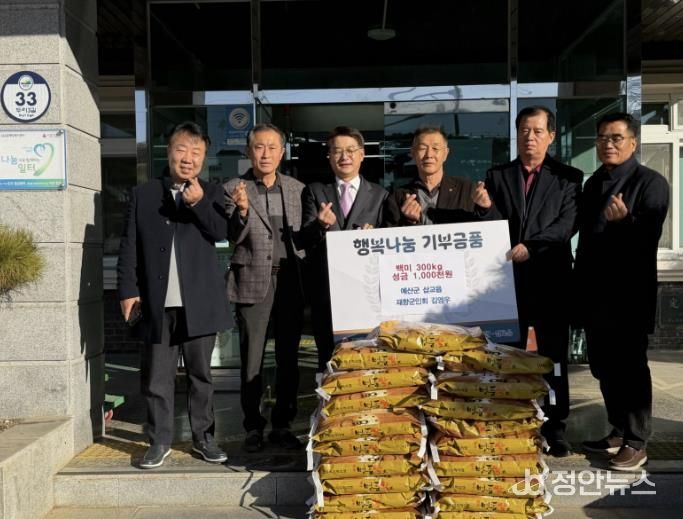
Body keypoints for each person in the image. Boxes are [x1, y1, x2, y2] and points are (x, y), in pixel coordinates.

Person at [117, 121, 232, 468]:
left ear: (203, 158)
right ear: (168, 152)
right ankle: (159, 441)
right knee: (157, 378)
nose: (188, 158)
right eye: (182, 149)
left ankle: (204, 438)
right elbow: (129, 246)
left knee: (201, 376)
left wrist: (198, 204)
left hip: (200, 302)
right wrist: (127, 291)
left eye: (196, 152)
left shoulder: (213, 192)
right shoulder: (144, 193)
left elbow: (222, 232)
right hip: (156, 302)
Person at [473, 106, 583, 457]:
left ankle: (555, 426)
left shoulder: (569, 177)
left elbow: (567, 225)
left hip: (552, 281)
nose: (529, 137)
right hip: (507, 284)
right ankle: (510, 422)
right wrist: (484, 207)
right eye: (523, 130)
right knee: (507, 355)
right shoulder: (498, 175)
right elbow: (493, 227)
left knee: (553, 357)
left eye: (537, 131)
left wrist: (531, 247)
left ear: (551, 136)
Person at [576, 113, 669, 471]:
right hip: (594, 292)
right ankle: (617, 429)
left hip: (629, 294)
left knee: (630, 367)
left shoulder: (650, 182)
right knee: (603, 366)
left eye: (616, 138)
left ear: (633, 142)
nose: (608, 144)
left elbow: (649, 237)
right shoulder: (594, 183)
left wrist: (624, 223)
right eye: (602, 138)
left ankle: (636, 440)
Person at [223, 123, 306, 453]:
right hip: (253, 279)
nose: (266, 153)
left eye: (272, 147)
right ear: (249, 152)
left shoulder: (298, 189)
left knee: (289, 357)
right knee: (252, 358)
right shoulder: (233, 188)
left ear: (282, 153)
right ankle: (253, 426)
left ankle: (283, 423)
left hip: (290, 281)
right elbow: (231, 235)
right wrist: (242, 210)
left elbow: (305, 236)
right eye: (259, 147)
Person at [300, 126, 388, 370]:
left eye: (350, 150)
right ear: (329, 156)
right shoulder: (315, 191)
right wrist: (319, 225)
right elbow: (303, 239)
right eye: (337, 151)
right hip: (327, 291)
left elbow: (389, 243)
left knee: (366, 358)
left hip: (365, 291)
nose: (344, 156)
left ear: (362, 154)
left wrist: (375, 238)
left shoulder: (380, 194)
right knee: (327, 358)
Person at [384, 126, 477, 227]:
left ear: (445, 154)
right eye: (422, 148)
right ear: (413, 153)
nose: (429, 155)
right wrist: (410, 222)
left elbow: (484, 227)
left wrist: (485, 209)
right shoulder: (398, 196)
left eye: (435, 148)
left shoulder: (466, 189)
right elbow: (389, 233)